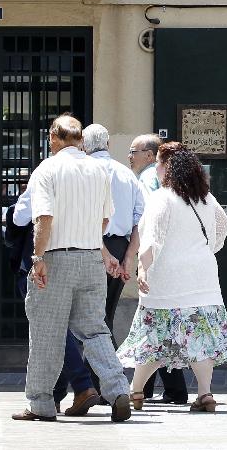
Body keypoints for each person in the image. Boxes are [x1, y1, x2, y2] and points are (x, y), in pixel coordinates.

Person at [12, 114, 132, 423]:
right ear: (79, 139)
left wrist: (38, 259)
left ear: (53, 137)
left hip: (56, 258)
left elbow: (43, 218)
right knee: (95, 330)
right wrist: (98, 248)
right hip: (91, 257)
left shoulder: (47, 169)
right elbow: (105, 220)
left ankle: (40, 404)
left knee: (46, 333)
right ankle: (119, 391)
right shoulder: (97, 169)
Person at [116, 142, 227, 413]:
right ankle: (205, 394)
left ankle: (136, 391)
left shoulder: (163, 197)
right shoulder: (205, 197)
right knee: (201, 338)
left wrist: (143, 268)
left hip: (168, 277)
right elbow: (223, 224)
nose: (156, 168)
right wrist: (208, 248)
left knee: (153, 337)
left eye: (159, 164)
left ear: (169, 168)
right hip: (203, 276)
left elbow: (152, 239)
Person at [5, 183, 101, 417]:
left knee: (50, 330)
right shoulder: (87, 181)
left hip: (44, 262)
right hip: (85, 257)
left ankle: (79, 386)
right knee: (83, 328)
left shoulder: (45, 177)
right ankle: (58, 394)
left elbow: (20, 218)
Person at [127, 132, 189, 404]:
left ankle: (164, 389)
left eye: (134, 151)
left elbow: (147, 224)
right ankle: (154, 389)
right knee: (158, 325)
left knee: (154, 324)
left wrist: (140, 260)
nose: (130, 156)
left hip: (156, 260)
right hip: (170, 259)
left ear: (151, 156)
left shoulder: (149, 179)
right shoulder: (170, 182)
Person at [82, 123, 146, 333]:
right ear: (108, 144)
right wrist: (128, 257)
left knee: (87, 317)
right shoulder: (127, 175)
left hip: (89, 245)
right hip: (120, 246)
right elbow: (141, 219)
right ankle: (100, 366)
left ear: (83, 145)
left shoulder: (82, 171)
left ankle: (102, 366)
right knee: (106, 314)